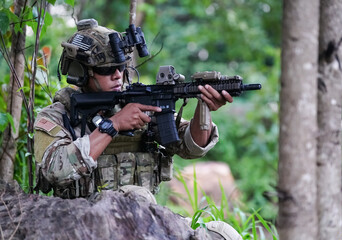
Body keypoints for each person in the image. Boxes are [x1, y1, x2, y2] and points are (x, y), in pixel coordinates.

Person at [34, 19, 241, 239]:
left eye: (121, 67)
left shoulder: (136, 103)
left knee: (224, 234)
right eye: (107, 70)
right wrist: (113, 125)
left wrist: (204, 108)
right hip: (86, 224)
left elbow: (189, 148)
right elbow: (56, 169)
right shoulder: (56, 117)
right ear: (82, 72)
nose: (117, 75)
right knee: (137, 196)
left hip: (146, 221)